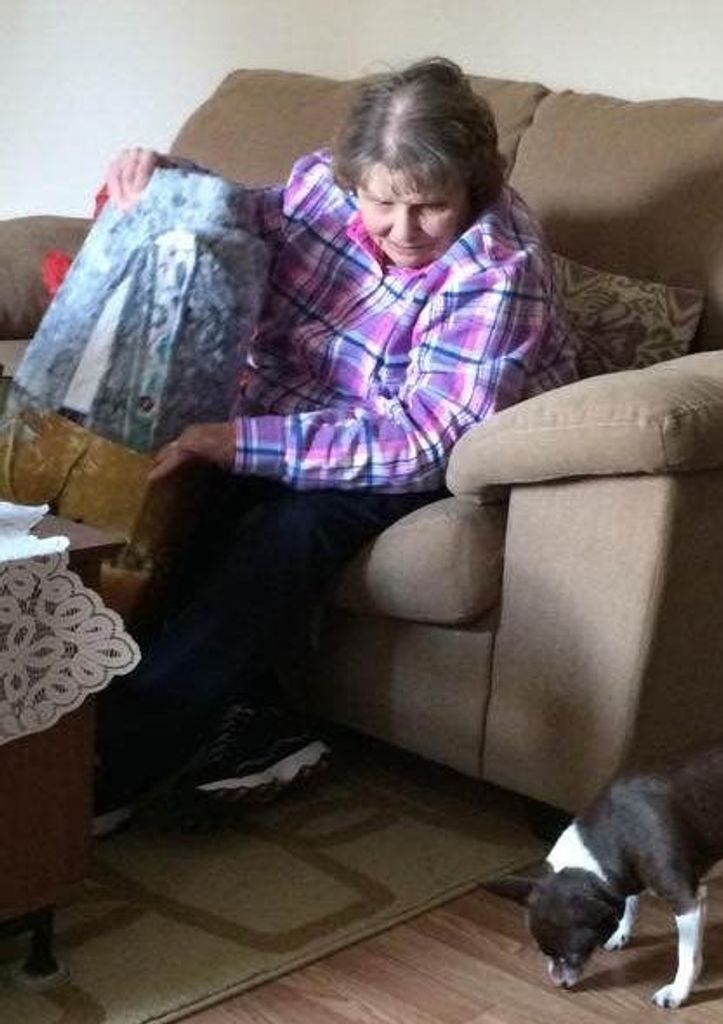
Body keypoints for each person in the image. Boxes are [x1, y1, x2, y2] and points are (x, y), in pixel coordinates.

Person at [93, 57, 577, 833]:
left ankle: (112, 767)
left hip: (414, 452)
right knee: (159, 497)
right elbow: (244, 223)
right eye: (382, 202)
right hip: (288, 411)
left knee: (281, 535)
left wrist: (239, 442)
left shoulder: (499, 266)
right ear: (353, 179)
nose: (402, 231)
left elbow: (427, 436)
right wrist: (164, 180)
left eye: (430, 207)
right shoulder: (322, 184)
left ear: (473, 187)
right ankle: (220, 721)